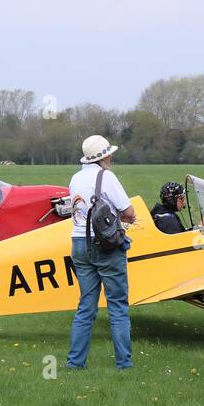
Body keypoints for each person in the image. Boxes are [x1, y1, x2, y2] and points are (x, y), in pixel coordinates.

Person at [67, 135, 136, 370]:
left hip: (78, 243)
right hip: (105, 245)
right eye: (109, 154)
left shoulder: (75, 178)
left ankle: (75, 363)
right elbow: (128, 211)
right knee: (117, 305)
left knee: (86, 306)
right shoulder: (107, 176)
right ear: (104, 156)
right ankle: (124, 364)